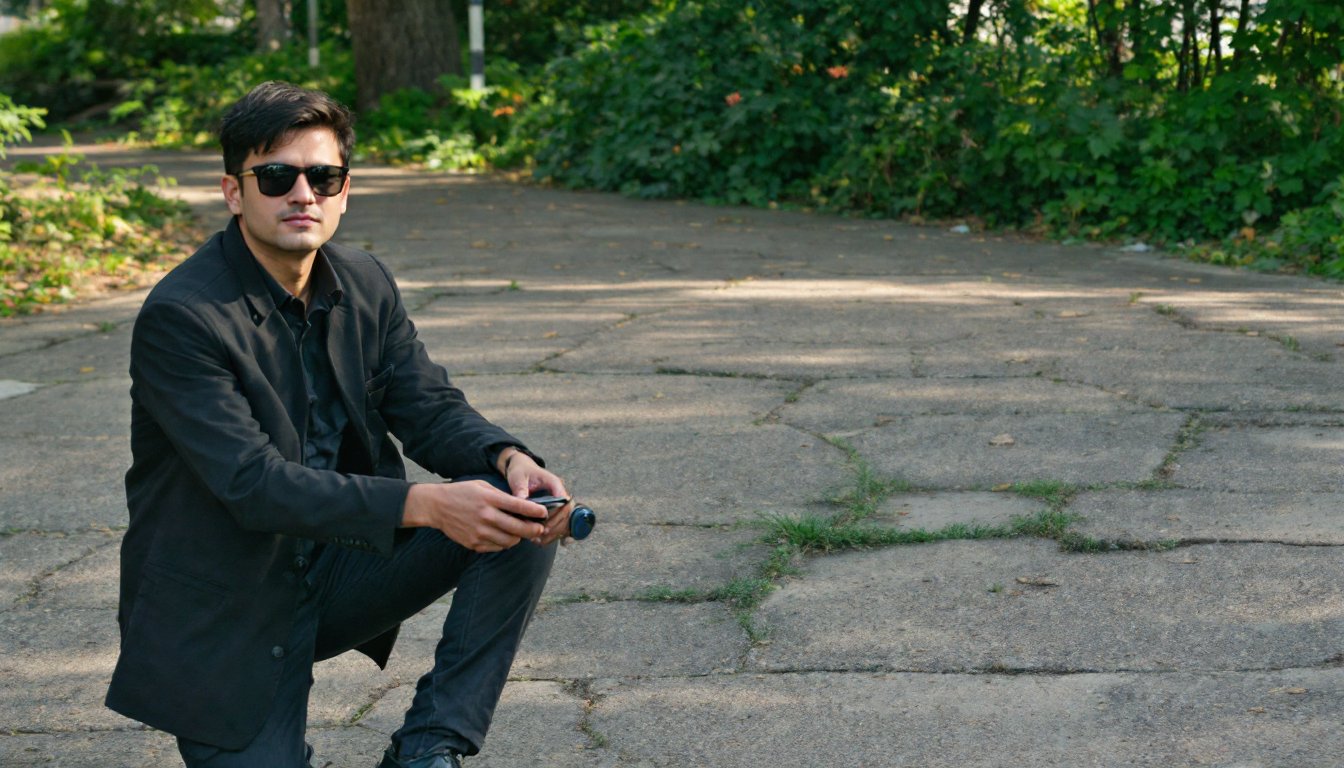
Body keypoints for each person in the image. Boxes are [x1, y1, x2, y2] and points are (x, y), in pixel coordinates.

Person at [105, 81, 573, 768]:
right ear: (235, 191)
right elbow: (253, 484)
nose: (304, 195)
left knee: (521, 516)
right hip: (225, 608)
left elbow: (427, 404)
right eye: (276, 176)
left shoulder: (364, 282)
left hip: (339, 566)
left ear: (344, 190)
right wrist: (425, 504)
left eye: (323, 177)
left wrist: (505, 457)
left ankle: (427, 749)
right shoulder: (184, 317)